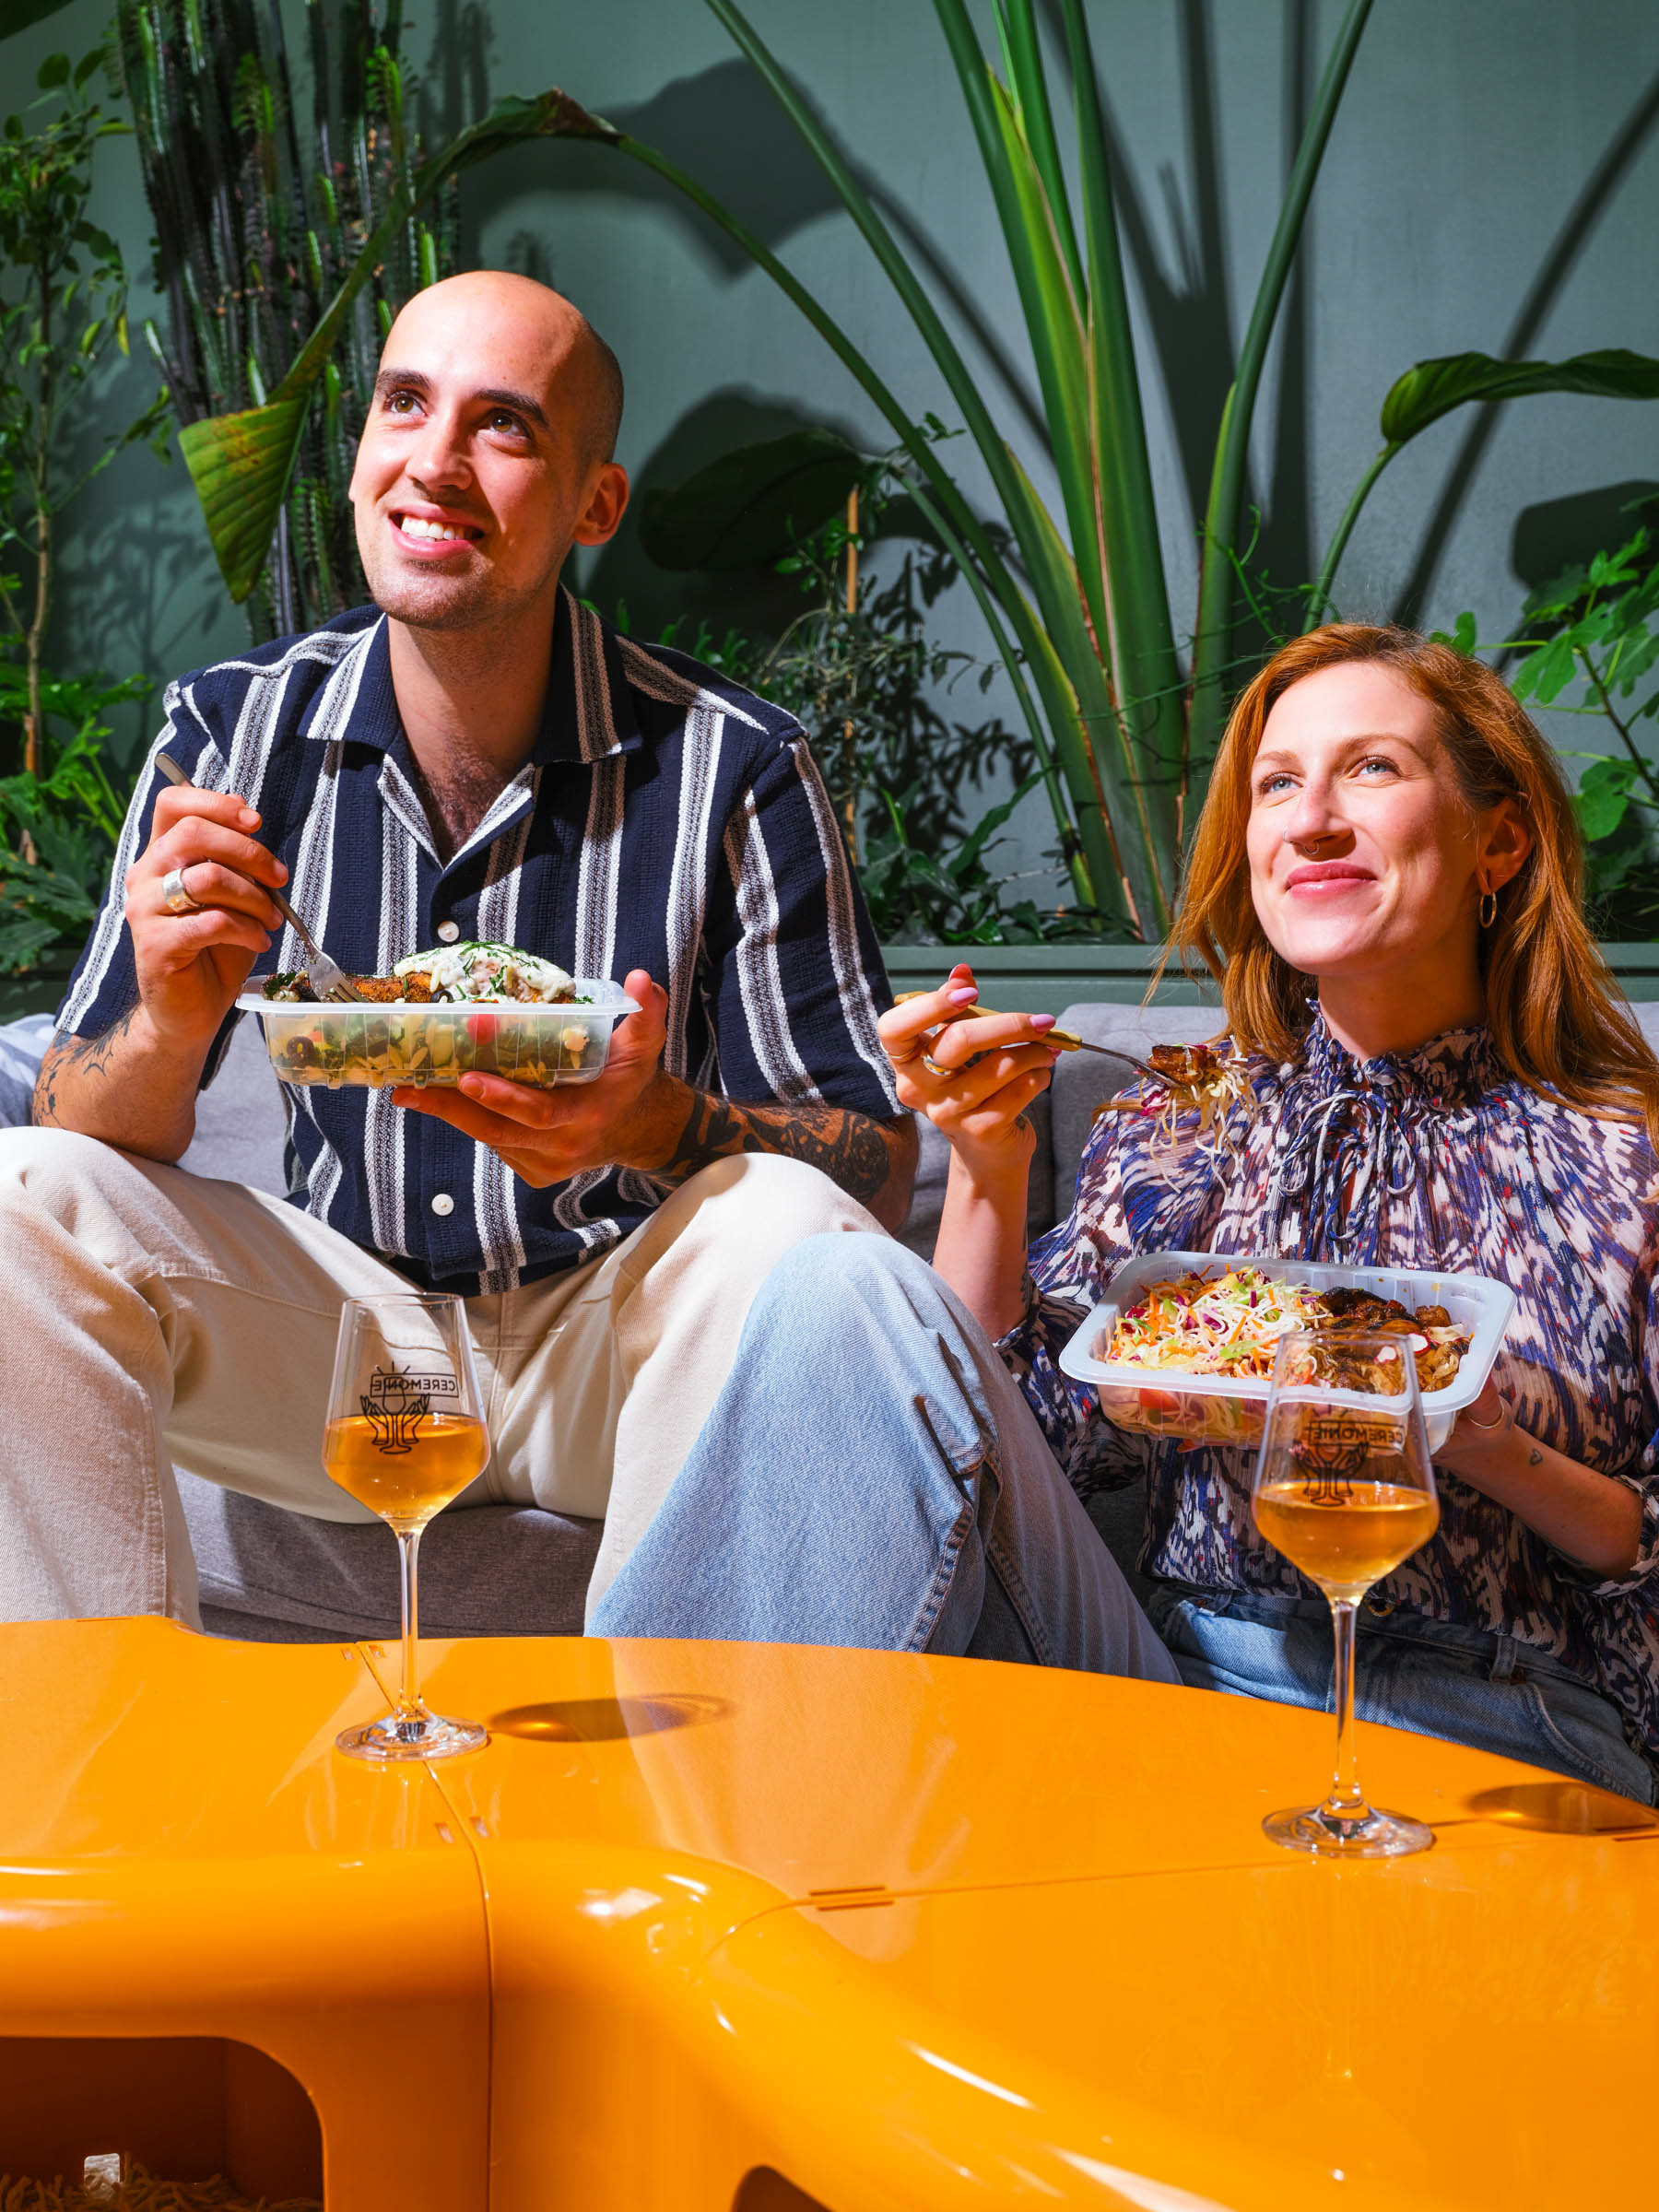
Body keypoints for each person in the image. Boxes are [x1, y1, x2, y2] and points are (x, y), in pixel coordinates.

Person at [3, 269, 927, 1625]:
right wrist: (167, 1020)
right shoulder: (230, 731)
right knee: (22, 1196)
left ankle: (689, 1744)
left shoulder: (736, 767)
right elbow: (83, 1121)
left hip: (620, 1345)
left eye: (503, 425)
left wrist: (657, 1124)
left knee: (792, 1225)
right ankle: (106, 1744)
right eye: (404, 404)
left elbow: (877, 1172)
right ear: (361, 455)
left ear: (594, 505)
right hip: (343, 1343)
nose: (434, 462)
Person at [879, 625, 1659, 1806]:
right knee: (831, 1280)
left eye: (1374, 768)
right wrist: (987, 1163)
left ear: (1499, 840)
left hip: (1502, 1711)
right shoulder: (1178, 1120)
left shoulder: (1626, 1156)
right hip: (1186, 1676)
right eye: (1278, 784)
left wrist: (1488, 1444)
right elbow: (1010, 1454)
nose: (1312, 820)